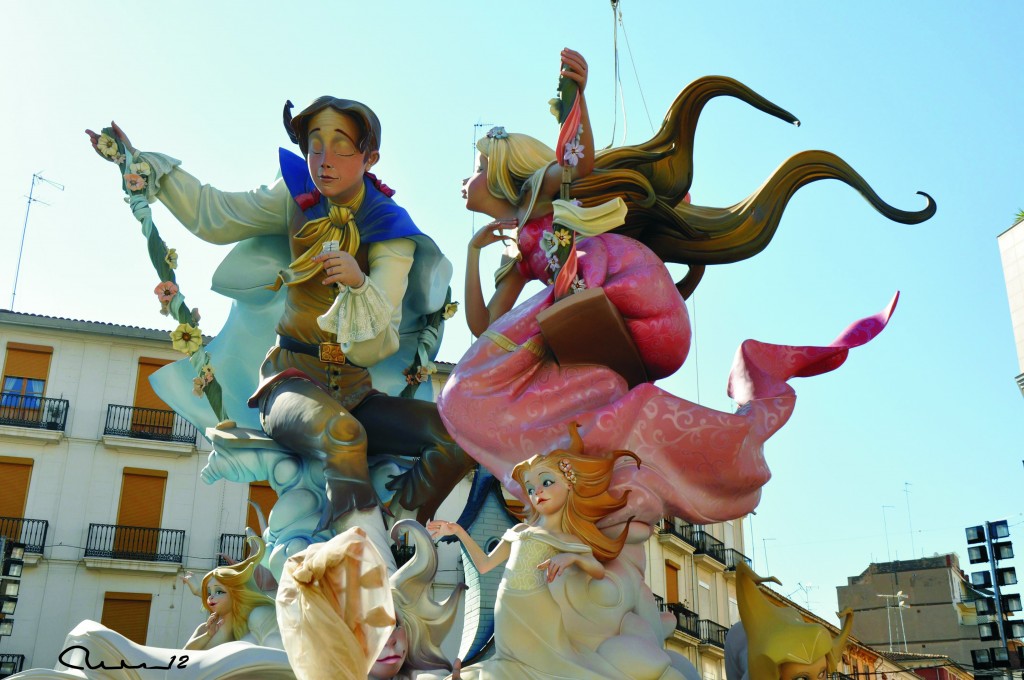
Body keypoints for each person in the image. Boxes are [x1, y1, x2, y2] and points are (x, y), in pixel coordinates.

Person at [439, 49, 933, 527]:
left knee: (477, 382)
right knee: (472, 386)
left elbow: (574, 164)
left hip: (631, 297)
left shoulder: (541, 193)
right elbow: (484, 330)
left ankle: (601, 419)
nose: (467, 179)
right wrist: (473, 255)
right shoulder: (515, 252)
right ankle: (592, 435)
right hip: (597, 319)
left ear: (503, 171)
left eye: (477, 167)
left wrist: (578, 97)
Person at [86, 98, 475, 526]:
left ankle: (400, 527)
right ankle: (357, 544)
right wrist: (140, 164)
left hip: (356, 390)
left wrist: (358, 283)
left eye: (341, 146)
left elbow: (379, 328)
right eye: (315, 146)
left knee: (457, 437)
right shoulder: (296, 198)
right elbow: (215, 214)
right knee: (343, 436)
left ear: (370, 157)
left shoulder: (390, 228)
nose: (324, 161)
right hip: (291, 382)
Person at [428, 423, 685, 680]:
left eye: (546, 482)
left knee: (547, 668)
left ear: (569, 485)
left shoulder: (566, 539)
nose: (537, 492)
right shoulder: (518, 531)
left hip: (539, 611)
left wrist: (571, 557)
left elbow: (597, 570)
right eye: (530, 489)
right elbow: (484, 565)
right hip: (508, 609)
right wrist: (459, 531)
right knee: (507, 665)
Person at [184, 536, 282, 650]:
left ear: (234, 594)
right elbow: (185, 653)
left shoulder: (245, 627)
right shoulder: (204, 628)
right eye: (209, 592)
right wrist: (208, 635)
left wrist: (198, 591)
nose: (210, 597)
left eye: (219, 591)